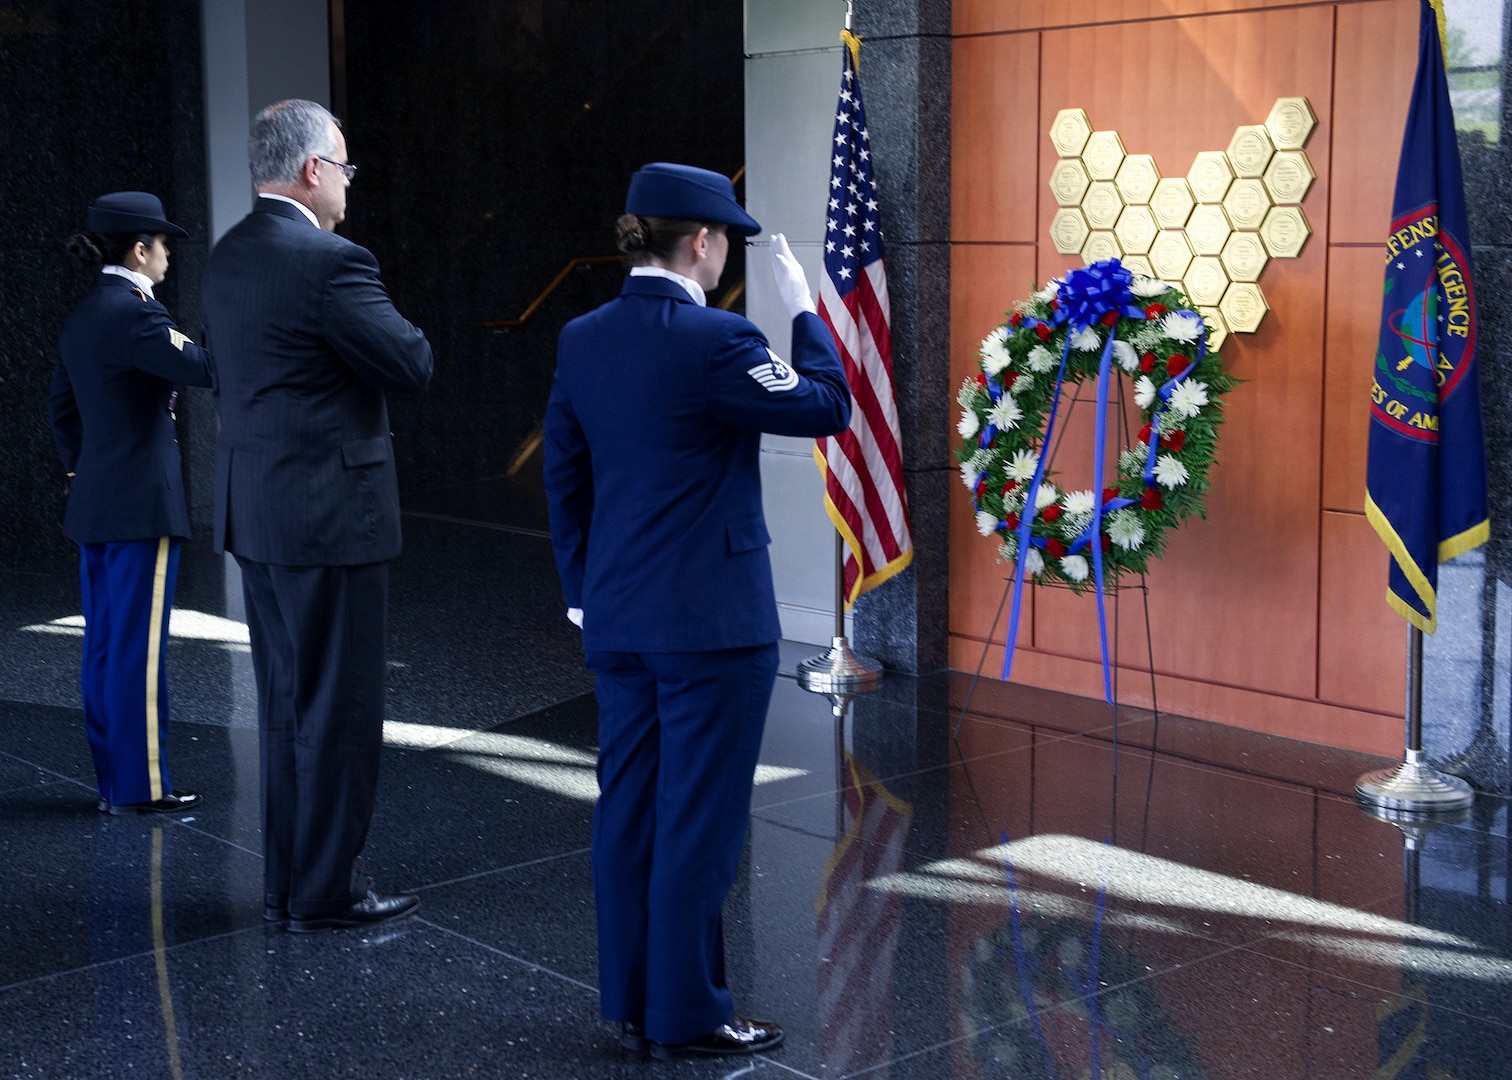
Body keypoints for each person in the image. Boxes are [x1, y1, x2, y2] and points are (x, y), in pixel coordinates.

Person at [543, 163, 852, 1060]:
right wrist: (803, 313)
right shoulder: (717, 341)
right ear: (705, 243)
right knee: (700, 821)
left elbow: (566, 470)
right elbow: (824, 407)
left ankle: (637, 999)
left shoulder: (583, 336)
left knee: (630, 808)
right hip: (712, 627)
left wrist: (578, 588)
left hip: (619, 616)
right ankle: (690, 1014)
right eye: (731, 247)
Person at [201, 99, 433, 933]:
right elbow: (411, 361)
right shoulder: (331, 261)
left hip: (256, 511)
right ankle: (327, 892)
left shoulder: (228, 255)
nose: (347, 183)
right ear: (311, 171)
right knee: (337, 710)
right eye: (343, 167)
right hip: (329, 517)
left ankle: (288, 884)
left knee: (287, 704)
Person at [49, 191, 211, 816]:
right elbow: (200, 367)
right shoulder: (137, 315)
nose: (169, 256)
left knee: (105, 645)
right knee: (137, 651)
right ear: (140, 250)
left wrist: (84, 470)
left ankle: (113, 782)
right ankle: (142, 788)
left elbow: (61, 412)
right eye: (165, 245)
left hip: (95, 504)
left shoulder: (85, 315)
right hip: (142, 507)